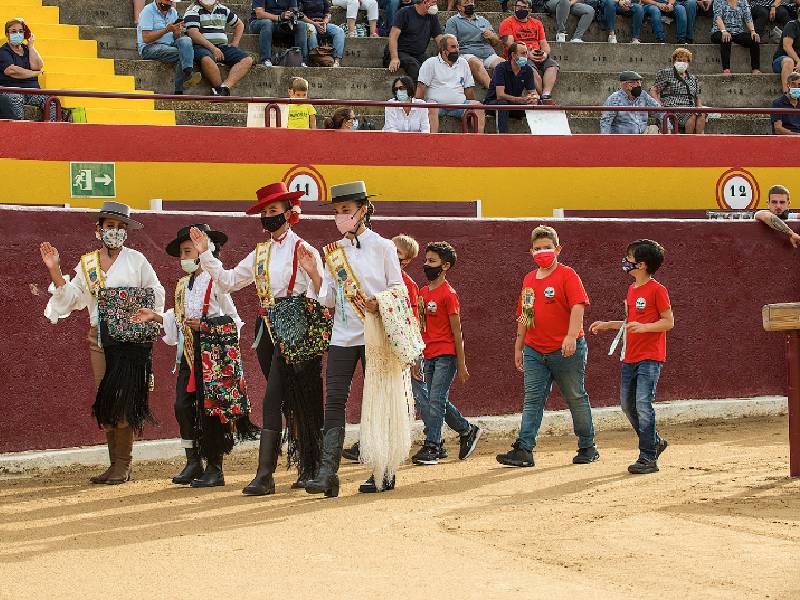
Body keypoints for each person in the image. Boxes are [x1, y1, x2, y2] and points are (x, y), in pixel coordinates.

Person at [189, 182, 328, 494]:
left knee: (284, 398)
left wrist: (314, 276)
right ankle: (303, 467)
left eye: (274, 211)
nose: (269, 217)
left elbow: (324, 296)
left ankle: (272, 473)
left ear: (290, 214)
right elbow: (228, 283)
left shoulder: (304, 250)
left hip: (299, 331)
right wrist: (206, 255)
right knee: (288, 398)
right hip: (268, 331)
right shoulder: (260, 252)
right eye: (265, 212)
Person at [40, 202, 165, 485]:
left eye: (121, 227)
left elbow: (156, 293)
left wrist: (131, 307)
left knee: (124, 396)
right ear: (99, 230)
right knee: (106, 397)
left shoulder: (137, 260)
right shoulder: (88, 264)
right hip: (99, 338)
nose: (115, 232)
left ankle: (123, 464)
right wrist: (55, 270)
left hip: (129, 341)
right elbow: (72, 298)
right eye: (110, 226)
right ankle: (113, 465)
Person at [132, 224, 257, 487]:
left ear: (203, 251)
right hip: (189, 354)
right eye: (182, 253)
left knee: (210, 411)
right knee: (182, 406)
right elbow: (178, 319)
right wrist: (156, 316)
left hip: (212, 355)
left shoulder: (216, 282)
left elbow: (234, 322)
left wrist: (207, 326)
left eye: (188, 251)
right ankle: (193, 460)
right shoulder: (181, 286)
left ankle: (215, 466)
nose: (184, 258)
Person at [306, 181, 408, 497]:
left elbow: (399, 289)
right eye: (337, 211)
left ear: (363, 210)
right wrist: (314, 276)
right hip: (343, 336)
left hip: (375, 333)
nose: (341, 216)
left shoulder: (383, 247)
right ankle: (327, 474)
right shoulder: (334, 253)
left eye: (346, 210)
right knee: (334, 400)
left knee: (379, 399)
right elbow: (329, 300)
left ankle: (384, 470)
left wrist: (379, 300)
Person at [497, 225, 598, 468]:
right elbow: (525, 314)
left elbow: (578, 306)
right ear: (531, 251)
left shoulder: (567, 275)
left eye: (547, 248)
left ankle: (587, 446)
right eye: (538, 248)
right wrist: (518, 345)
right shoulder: (529, 279)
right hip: (534, 349)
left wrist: (572, 336)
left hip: (566, 350)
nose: (543, 252)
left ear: (558, 249)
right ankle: (524, 449)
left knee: (575, 396)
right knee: (532, 399)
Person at [589, 240, 674, 475]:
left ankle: (647, 456)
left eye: (630, 258)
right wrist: (608, 325)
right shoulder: (632, 289)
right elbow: (631, 323)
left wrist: (645, 328)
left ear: (642, 264)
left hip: (650, 356)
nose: (626, 262)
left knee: (643, 405)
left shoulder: (658, 290)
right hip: (631, 356)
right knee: (628, 405)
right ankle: (654, 442)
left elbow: (668, 322)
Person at [411, 241, 482, 466]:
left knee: (435, 399)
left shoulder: (449, 294)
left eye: (432, 261)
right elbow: (421, 326)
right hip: (429, 354)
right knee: (436, 399)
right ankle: (466, 429)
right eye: (426, 260)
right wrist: (418, 355)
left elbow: (457, 331)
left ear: (446, 266)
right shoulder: (423, 292)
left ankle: (433, 445)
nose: (426, 265)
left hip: (446, 354)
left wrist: (461, 364)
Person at [416, 34, 486, 133]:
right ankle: (431, 142)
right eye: (453, 47)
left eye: (457, 46)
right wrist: (418, 107)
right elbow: (421, 86)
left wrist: (472, 105)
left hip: (460, 106)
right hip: (437, 106)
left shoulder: (463, 63)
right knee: (430, 106)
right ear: (443, 50)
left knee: (478, 107)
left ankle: (480, 141)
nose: (457, 50)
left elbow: (468, 89)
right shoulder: (430, 63)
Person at [184, 0, 254, 95]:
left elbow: (239, 24)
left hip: (223, 47)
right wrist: (213, 48)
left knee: (247, 60)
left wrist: (235, 43)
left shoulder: (223, 9)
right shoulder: (193, 10)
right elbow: (193, 33)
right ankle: (219, 88)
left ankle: (224, 87)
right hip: (202, 46)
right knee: (206, 60)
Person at [499, 0, 559, 102]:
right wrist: (527, 54)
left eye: (523, 7)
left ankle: (546, 94)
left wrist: (545, 53)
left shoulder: (537, 23)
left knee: (552, 66)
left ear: (530, 11)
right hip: (521, 56)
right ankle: (542, 98)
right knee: (530, 70)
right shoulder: (507, 23)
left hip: (537, 53)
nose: (520, 9)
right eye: (518, 7)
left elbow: (544, 44)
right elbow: (510, 45)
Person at [138, 0, 202, 95]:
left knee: (186, 41)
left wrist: (176, 32)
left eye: (170, 1)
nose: (168, 3)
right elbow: (146, 38)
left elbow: (175, 37)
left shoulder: (173, 12)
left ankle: (188, 72)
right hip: (150, 47)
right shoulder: (148, 11)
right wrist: (166, 30)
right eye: (167, 1)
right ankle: (183, 83)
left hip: (170, 44)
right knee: (184, 53)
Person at [0, 19, 59, 121]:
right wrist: (34, 73)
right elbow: (12, 71)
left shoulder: (27, 49)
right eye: (13, 31)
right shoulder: (3, 51)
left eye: (20, 31)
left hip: (32, 91)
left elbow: (38, 66)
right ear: (7, 34)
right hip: (12, 91)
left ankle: (51, 131)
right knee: (15, 99)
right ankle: (20, 130)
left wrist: (31, 46)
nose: (17, 34)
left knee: (51, 100)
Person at [445, 0, 503, 89]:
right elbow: (450, 42)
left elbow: (495, 43)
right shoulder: (453, 21)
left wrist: (493, 37)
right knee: (476, 63)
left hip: (487, 53)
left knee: (503, 64)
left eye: (471, 2)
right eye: (466, 3)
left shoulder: (483, 20)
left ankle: (509, 92)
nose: (470, 4)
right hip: (467, 53)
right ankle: (492, 91)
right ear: (459, 7)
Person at [484, 42, 538, 133]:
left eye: (526, 53)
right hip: (494, 103)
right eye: (523, 53)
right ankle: (502, 136)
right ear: (513, 55)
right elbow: (500, 95)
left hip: (513, 104)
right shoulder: (501, 68)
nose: (526, 56)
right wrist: (519, 100)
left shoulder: (527, 69)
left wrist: (533, 98)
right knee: (503, 103)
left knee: (538, 104)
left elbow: (533, 91)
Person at [650, 47, 706, 134]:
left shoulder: (692, 78)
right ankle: (688, 142)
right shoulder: (666, 73)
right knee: (692, 115)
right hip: (672, 107)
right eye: (679, 60)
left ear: (688, 62)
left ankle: (698, 140)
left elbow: (696, 96)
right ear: (674, 61)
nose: (682, 62)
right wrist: (658, 103)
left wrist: (699, 107)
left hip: (689, 107)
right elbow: (654, 90)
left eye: (684, 60)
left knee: (702, 114)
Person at [384, 0, 443, 82]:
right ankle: (419, 93)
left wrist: (445, 53)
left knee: (431, 65)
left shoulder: (432, 16)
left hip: (418, 54)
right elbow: (393, 36)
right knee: (413, 64)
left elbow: (439, 37)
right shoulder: (404, 13)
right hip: (399, 52)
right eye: (433, 2)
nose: (435, 5)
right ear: (425, 2)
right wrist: (394, 58)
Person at [249, 0, 310, 67]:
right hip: (258, 22)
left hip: (281, 23)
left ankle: (301, 61)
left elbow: (293, 11)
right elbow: (259, 14)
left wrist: (292, 16)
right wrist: (279, 17)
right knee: (267, 23)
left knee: (302, 25)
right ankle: (266, 60)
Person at [600, 70, 663, 134]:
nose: (637, 85)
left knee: (654, 128)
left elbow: (659, 111)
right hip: (623, 137)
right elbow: (606, 121)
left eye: (638, 82)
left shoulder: (643, 95)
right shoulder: (615, 98)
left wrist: (668, 130)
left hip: (642, 134)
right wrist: (606, 140)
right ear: (624, 85)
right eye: (633, 82)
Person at [710, 0, 761, 75]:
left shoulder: (743, 1)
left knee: (754, 39)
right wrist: (724, 31)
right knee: (726, 38)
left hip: (737, 31)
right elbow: (718, 18)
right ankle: (726, 69)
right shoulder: (718, 1)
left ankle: (755, 69)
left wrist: (753, 31)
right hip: (719, 31)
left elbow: (748, 18)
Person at [300, 0, 345, 67]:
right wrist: (315, 24)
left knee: (339, 31)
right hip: (309, 23)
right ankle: (316, 57)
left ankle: (336, 60)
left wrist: (324, 22)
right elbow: (300, 15)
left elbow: (328, 13)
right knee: (311, 29)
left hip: (322, 22)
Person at [773, 11, 800, 92]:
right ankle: (787, 95)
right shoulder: (792, 25)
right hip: (782, 61)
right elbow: (787, 47)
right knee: (789, 62)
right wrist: (798, 61)